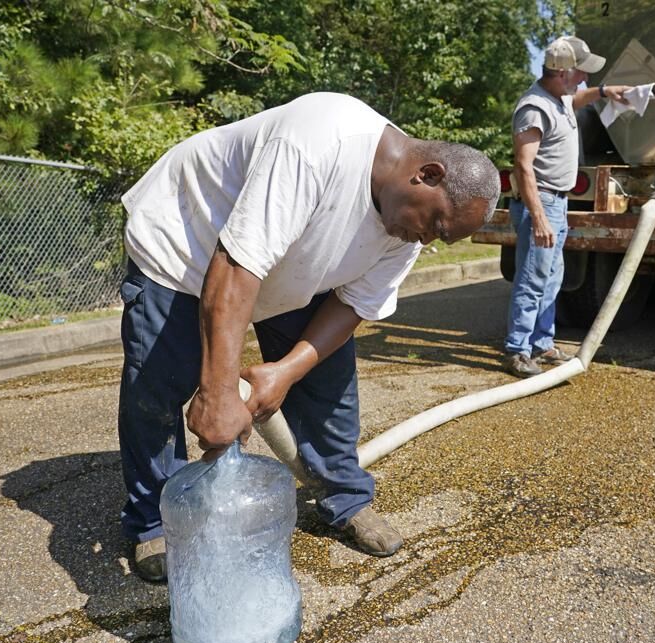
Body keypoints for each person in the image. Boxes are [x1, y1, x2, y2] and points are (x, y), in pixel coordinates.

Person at [118, 92, 500, 582]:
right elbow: (235, 267)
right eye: (435, 225)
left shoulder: (407, 222)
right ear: (426, 175)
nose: (427, 241)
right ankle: (155, 520)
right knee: (158, 386)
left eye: (440, 238)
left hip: (283, 271)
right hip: (184, 249)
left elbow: (354, 304)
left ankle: (343, 497)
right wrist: (216, 393)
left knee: (328, 385)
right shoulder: (322, 139)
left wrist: (284, 371)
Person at [503, 36, 631, 378]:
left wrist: (606, 92)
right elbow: (523, 166)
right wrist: (540, 218)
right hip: (540, 202)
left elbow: (580, 98)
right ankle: (518, 350)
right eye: (581, 74)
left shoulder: (559, 98)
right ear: (563, 73)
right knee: (532, 279)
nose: (585, 80)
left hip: (558, 202)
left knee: (551, 277)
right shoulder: (534, 107)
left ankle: (543, 343)